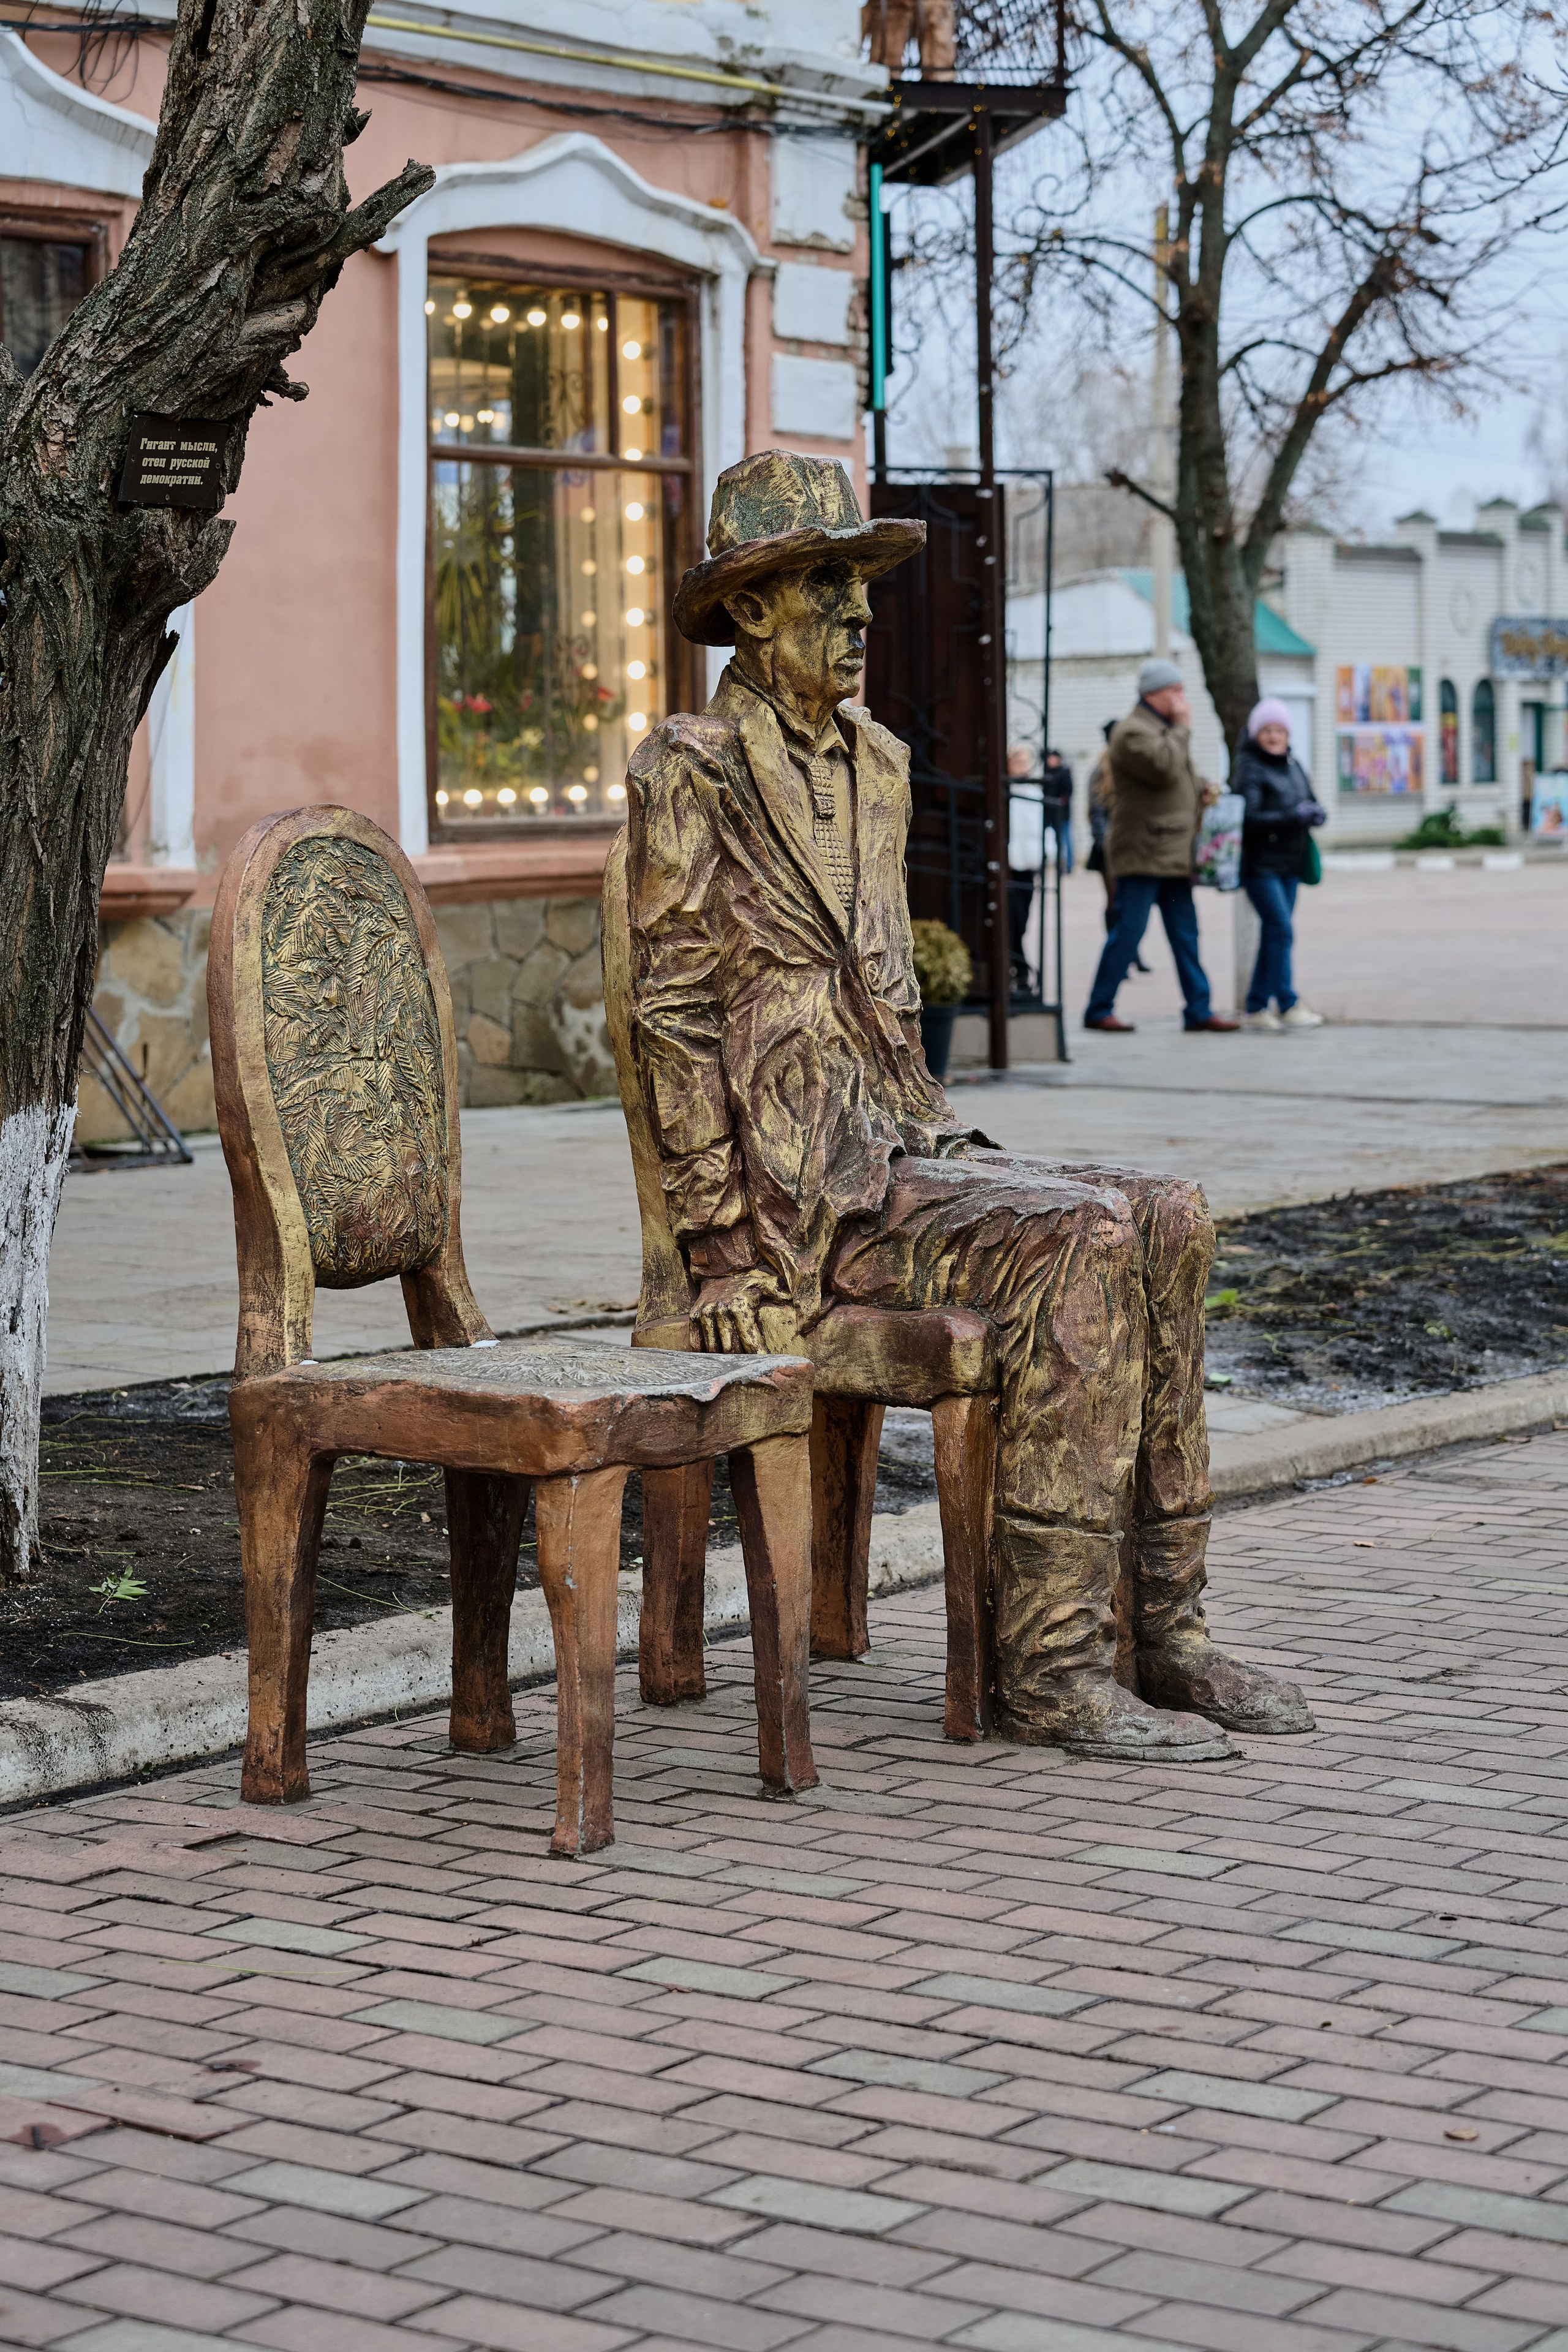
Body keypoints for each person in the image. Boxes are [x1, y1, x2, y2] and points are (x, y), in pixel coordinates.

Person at [626, 449, 1310, 1760]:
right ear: (754, 606)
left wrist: (932, 1125)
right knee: (1085, 1241)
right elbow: (668, 1014)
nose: (860, 614)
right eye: (827, 586)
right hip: (793, 1203)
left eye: (860, 588)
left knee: (1168, 1213)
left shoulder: (875, 763)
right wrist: (712, 1243)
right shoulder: (692, 767)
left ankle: (1160, 1636)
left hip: (903, 1144)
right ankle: (1047, 1667)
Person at [1083, 659, 1238, 1034]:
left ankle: (1199, 1010)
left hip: (1172, 853)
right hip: (1144, 852)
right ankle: (1098, 1009)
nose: (1182, 700)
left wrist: (1202, 786)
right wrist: (1184, 729)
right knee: (1129, 933)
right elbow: (1164, 767)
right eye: (1176, 691)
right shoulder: (1132, 732)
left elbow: (1180, 775)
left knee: (1187, 934)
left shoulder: (1164, 730)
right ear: (1154, 693)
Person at [1235, 699, 1326, 1031]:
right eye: (1267, 730)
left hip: (1290, 863)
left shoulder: (1293, 765)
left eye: (1280, 730)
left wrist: (1317, 812)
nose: (1274, 737)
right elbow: (1248, 816)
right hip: (1261, 866)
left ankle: (1256, 1007)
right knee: (1281, 930)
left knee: (1275, 933)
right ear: (1256, 734)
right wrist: (1292, 817)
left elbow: (1310, 798)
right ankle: (1287, 1003)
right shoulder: (1249, 767)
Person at [1085, 719, 1149, 971]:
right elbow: (1096, 812)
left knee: (1133, 901)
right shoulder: (1101, 771)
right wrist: (1108, 841)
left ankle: (1132, 953)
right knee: (1115, 901)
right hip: (1109, 847)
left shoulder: (1136, 767)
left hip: (1135, 845)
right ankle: (1117, 957)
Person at [1006, 744, 1042, 990]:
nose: (1024, 767)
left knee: (1024, 919)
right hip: (1010, 864)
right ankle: (1019, 968)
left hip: (1028, 864)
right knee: (1014, 920)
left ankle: (1018, 967)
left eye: (1027, 762)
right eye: (1019, 762)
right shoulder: (1006, 791)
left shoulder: (1033, 791)